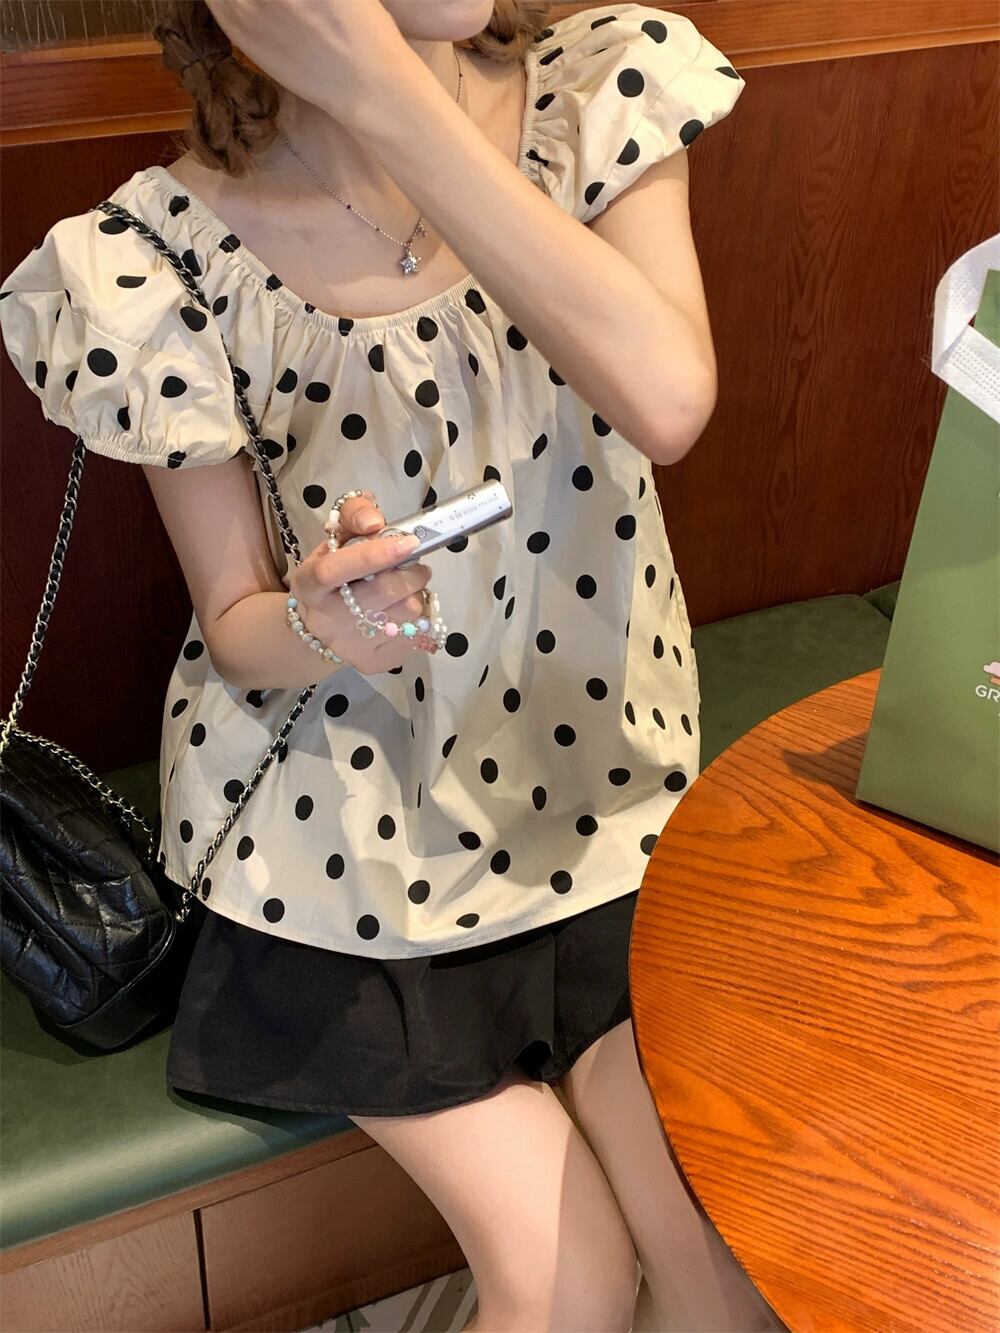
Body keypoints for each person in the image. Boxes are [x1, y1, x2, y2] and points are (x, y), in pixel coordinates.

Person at [0, 2, 779, 1329]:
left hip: (602, 813)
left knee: (728, 1289)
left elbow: (667, 398)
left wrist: (381, 88)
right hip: (343, 862)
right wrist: (327, 626)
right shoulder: (153, 258)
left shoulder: (603, 93)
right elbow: (236, 622)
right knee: (571, 1286)